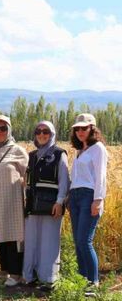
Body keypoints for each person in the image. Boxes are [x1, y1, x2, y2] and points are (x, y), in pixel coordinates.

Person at [22, 121, 69, 290]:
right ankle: (30, 276)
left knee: (49, 241)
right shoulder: (32, 155)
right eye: (38, 131)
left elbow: (64, 181)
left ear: (52, 134)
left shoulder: (59, 154)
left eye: (46, 132)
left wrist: (59, 202)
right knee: (32, 241)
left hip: (51, 206)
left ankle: (49, 279)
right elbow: (27, 182)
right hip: (33, 205)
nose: (42, 134)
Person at [0, 115, 28, 287]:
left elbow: (27, 175)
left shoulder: (18, 151)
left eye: (3, 128)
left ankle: (16, 273)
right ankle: (3, 271)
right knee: (0, 235)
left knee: (13, 237)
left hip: (13, 201)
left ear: (9, 130)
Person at [68, 113, 107, 296]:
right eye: (77, 128)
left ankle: (93, 282)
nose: (80, 131)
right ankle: (82, 280)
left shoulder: (97, 148)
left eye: (84, 128)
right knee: (78, 241)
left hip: (88, 196)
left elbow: (101, 176)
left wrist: (98, 200)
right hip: (75, 196)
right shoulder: (80, 151)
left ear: (92, 128)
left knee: (85, 241)